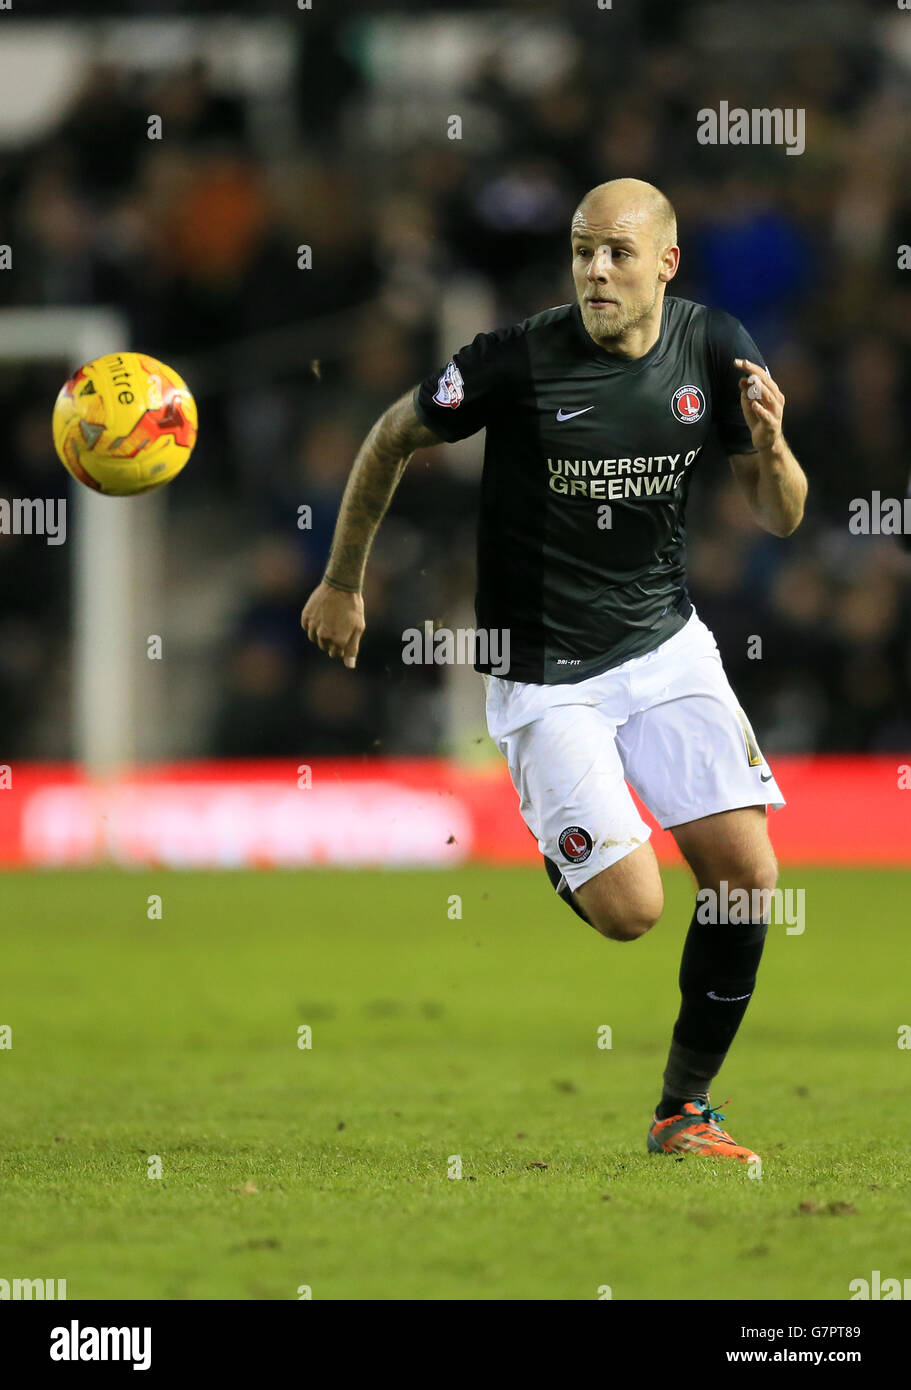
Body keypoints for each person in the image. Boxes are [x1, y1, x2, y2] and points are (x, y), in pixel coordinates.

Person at [301, 178, 808, 1162]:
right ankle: (566, 839)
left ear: (665, 262)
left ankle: (683, 1110)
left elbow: (779, 512)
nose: (594, 270)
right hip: (542, 671)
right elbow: (389, 436)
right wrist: (339, 584)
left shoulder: (712, 345)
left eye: (617, 251)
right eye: (581, 250)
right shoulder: (516, 358)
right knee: (631, 912)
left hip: (663, 644)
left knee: (746, 878)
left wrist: (773, 448)